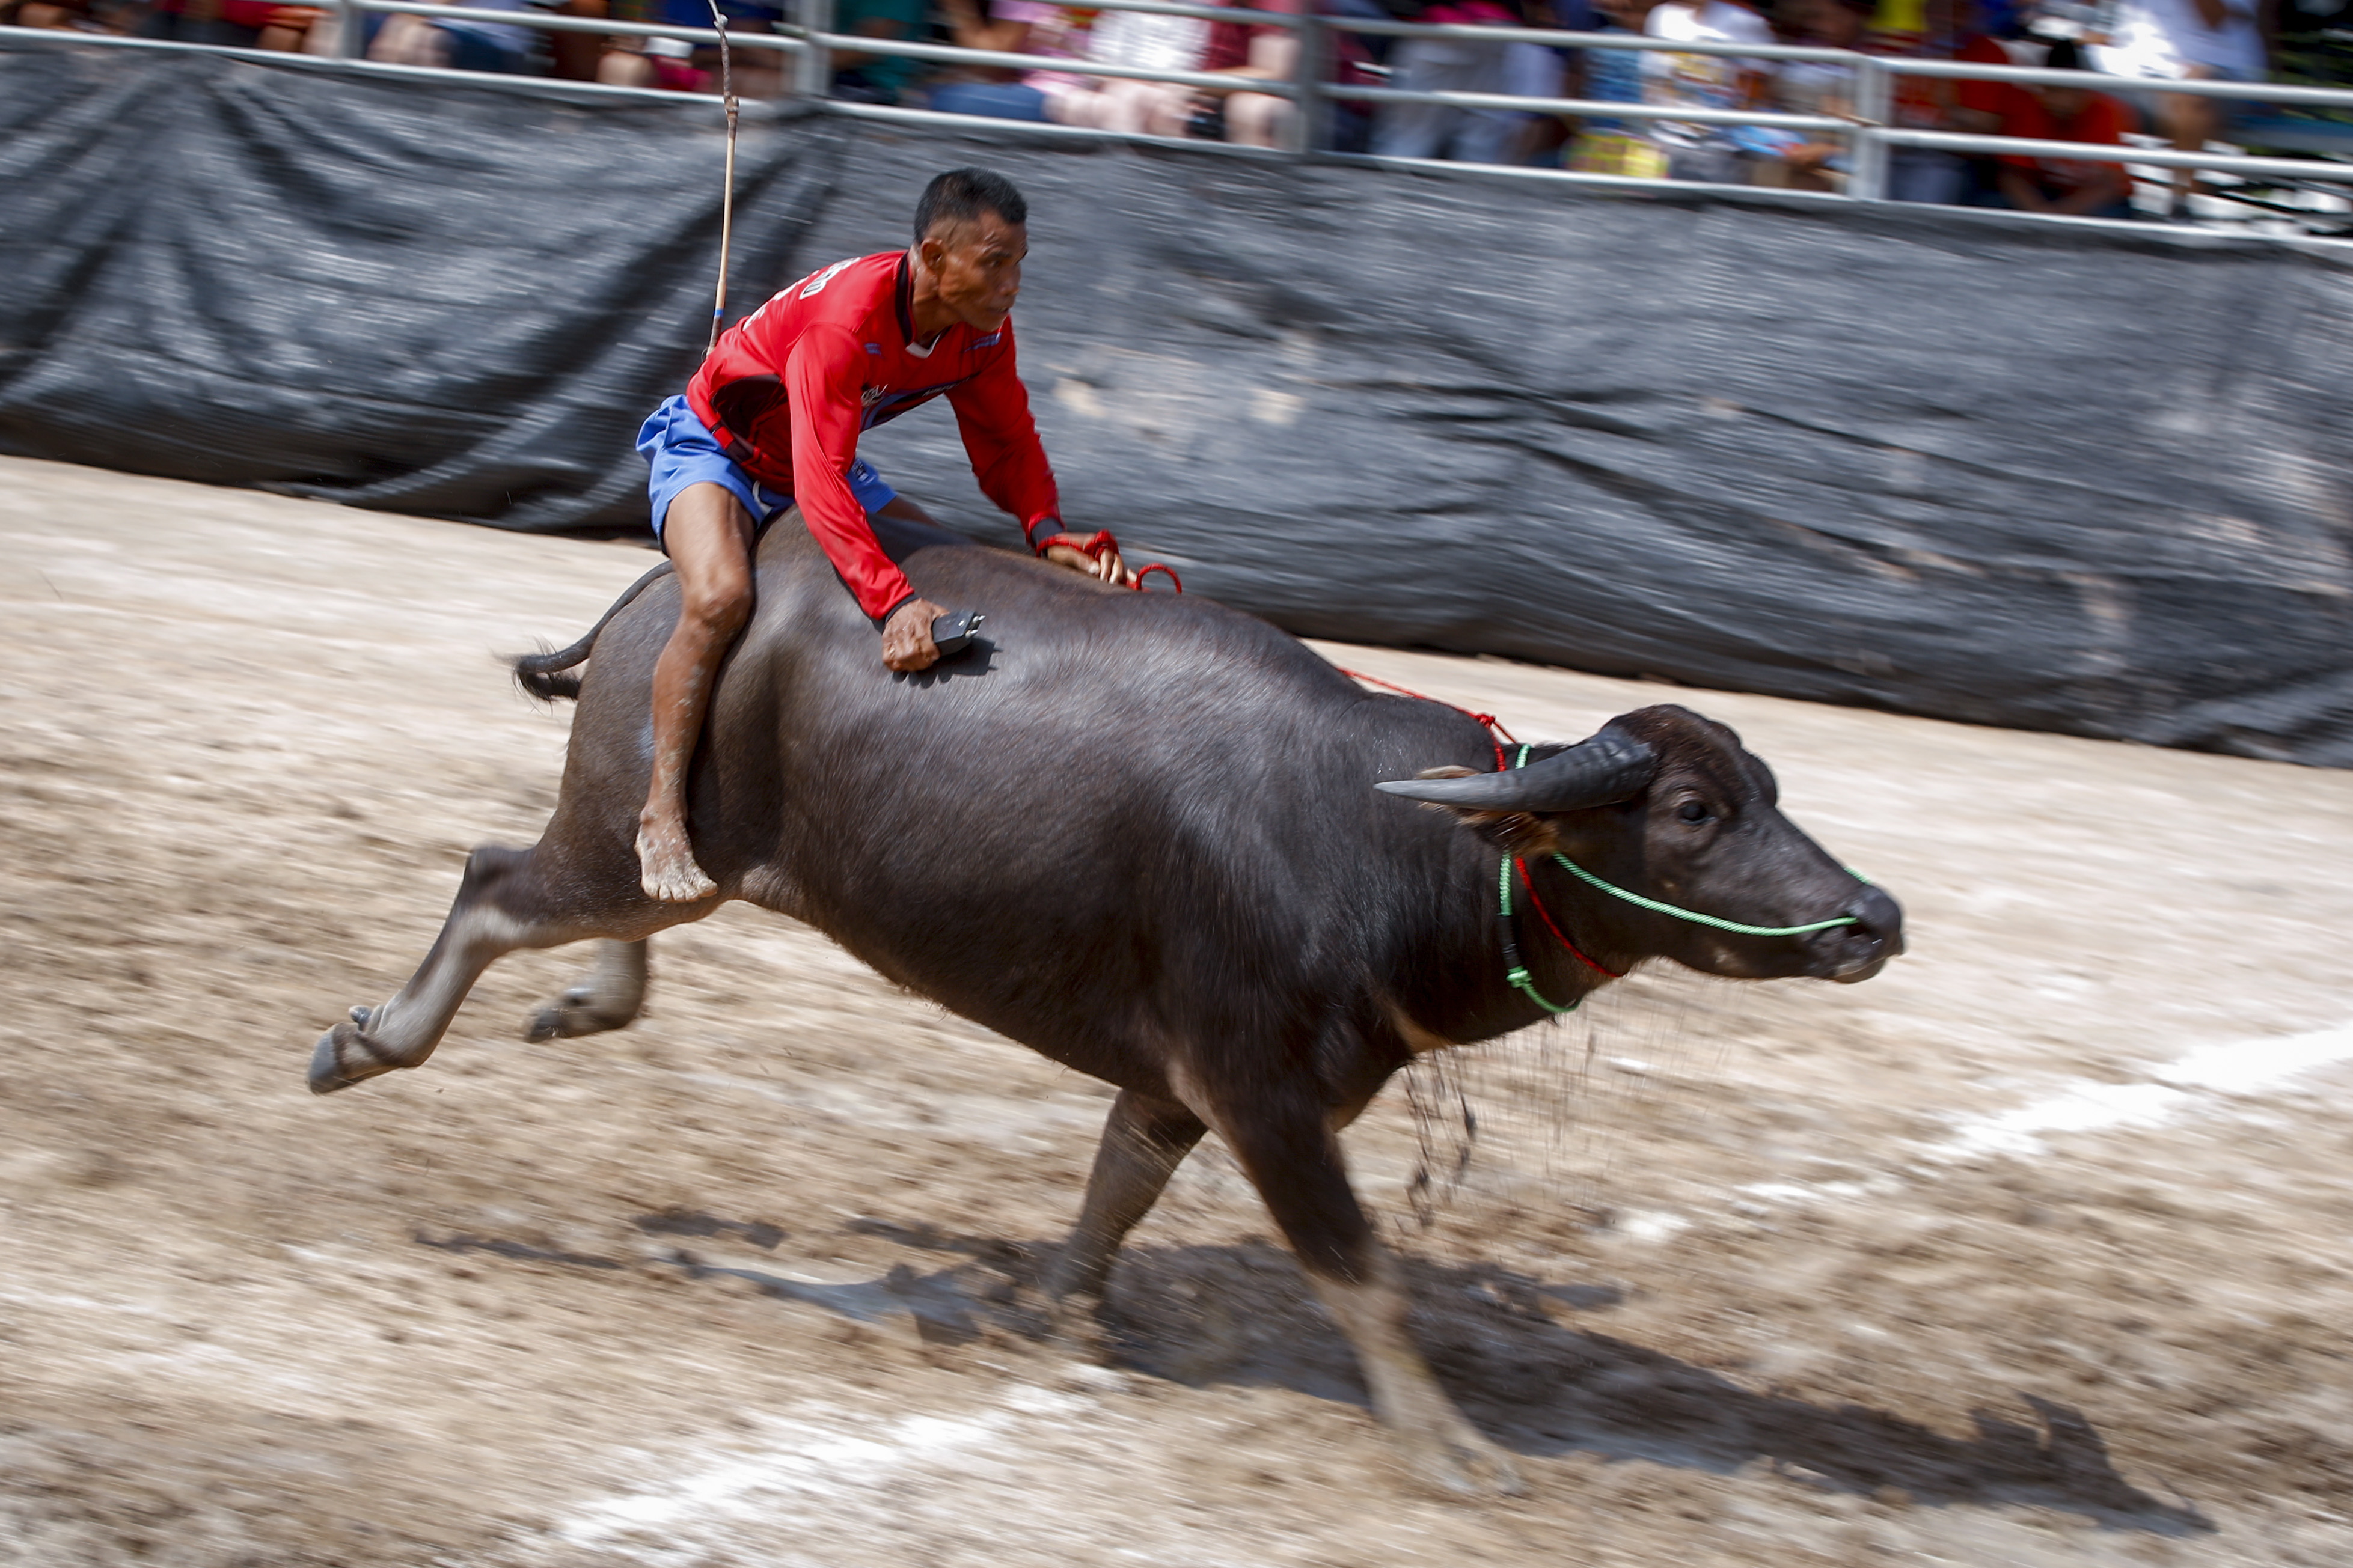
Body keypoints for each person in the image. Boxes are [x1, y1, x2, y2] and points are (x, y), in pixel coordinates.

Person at [629, 169, 1127, 903]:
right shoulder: (844, 322)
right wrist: (892, 603)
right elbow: (820, 481)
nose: (1012, 283)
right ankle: (660, 812)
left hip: (820, 452)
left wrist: (1045, 530)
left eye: (1020, 262)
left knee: (960, 563)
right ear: (932, 255)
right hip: (718, 448)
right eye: (994, 262)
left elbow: (1007, 441)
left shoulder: (982, 331)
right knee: (719, 597)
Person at [2091, 0, 2266, 216]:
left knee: (2193, 89)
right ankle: (2058, 191)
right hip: (2134, 68)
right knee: (2060, 64)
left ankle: (2180, 203)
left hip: (2218, 75)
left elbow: (2213, 19)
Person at [1991, 35, 2135, 214]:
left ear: (2087, 90)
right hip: (2045, 193)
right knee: (1992, 201)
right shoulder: (2029, 108)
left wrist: (2057, 217)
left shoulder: (2110, 113)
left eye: (2072, 90)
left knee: (2111, 214)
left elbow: (2109, 185)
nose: (2061, 100)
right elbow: (2012, 176)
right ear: (2042, 88)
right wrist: (2039, 213)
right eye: (2053, 90)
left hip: (2092, 201)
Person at [1639, 0, 1774, 183]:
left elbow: (1759, 93)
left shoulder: (1747, 23)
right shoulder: (1662, 15)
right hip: (1662, 142)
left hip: (1720, 151)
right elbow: (1652, 81)